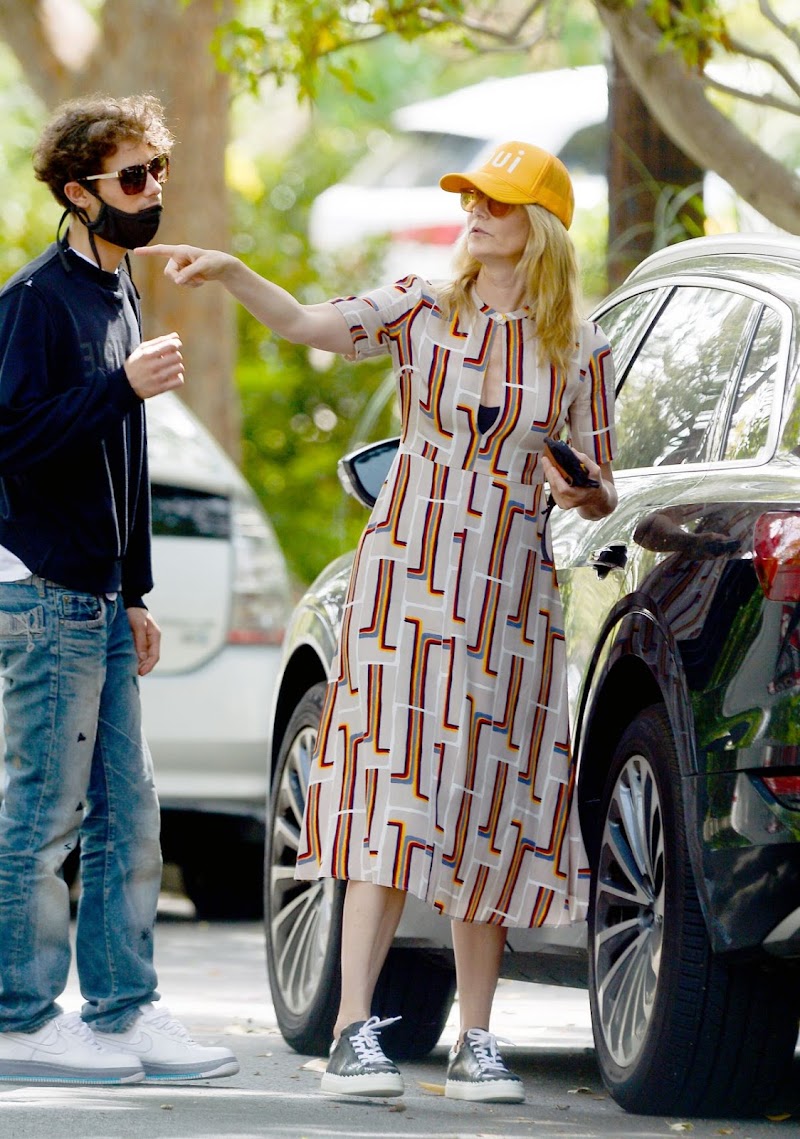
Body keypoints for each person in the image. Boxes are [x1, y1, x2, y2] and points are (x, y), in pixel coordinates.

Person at [139, 138, 617, 1103]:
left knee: (490, 805)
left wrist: (580, 488)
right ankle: (354, 1030)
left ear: (543, 227)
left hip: (510, 602)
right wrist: (234, 274)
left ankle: (480, 1041)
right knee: (387, 802)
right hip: (406, 589)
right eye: (471, 198)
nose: (476, 214)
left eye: (498, 203)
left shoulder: (580, 348)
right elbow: (313, 322)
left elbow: (601, 492)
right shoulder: (420, 305)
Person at [0, 94, 238, 1086]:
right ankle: (18, 1015)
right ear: (75, 190)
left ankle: (122, 1007)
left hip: (97, 594)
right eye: (132, 178)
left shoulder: (120, 288)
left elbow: (122, 457)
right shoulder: (34, 301)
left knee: (128, 811)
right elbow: (13, 443)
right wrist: (121, 387)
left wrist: (135, 587)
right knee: (42, 811)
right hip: (43, 587)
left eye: (158, 174)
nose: (151, 195)